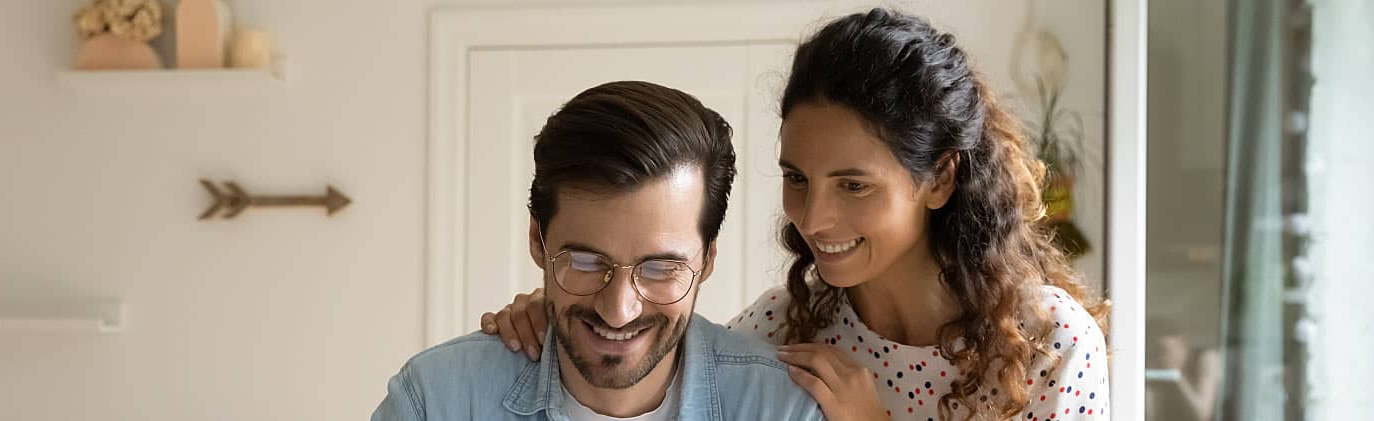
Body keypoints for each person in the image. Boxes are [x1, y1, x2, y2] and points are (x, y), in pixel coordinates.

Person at [480, 8, 1112, 421]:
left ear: (940, 178)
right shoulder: (786, 329)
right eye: (796, 178)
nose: (814, 217)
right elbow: (649, 353)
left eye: (854, 185)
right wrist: (566, 315)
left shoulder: (1050, 348)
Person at [371, 81, 822, 420]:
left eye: (660, 267)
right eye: (586, 262)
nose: (619, 310)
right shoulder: (435, 399)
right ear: (537, 239)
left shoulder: (783, 409)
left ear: (707, 260)